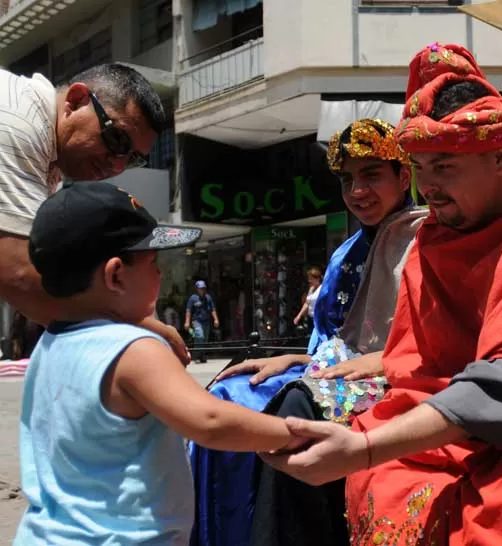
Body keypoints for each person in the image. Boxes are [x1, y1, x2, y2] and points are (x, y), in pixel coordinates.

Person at [261, 43, 502, 545]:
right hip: (449, 408)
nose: (430, 188)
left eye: (444, 168)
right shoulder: (435, 235)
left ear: (497, 156)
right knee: (295, 413)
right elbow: (418, 362)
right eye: (421, 169)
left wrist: (364, 447)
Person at [15, 182, 306, 545]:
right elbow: (211, 421)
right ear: (116, 275)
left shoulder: (50, 345)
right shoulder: (133, 349)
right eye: (154, 263)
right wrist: (299, 434)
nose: (161, 274)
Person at [190, 118, 425, 546]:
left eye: (372, 175)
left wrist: (384, 358)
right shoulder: (345, 254)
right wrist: (295, 358)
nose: (357, 191)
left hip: (399, 378)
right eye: (347, 180)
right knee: (231, 392)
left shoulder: (426, 240)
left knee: (296, 404)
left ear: (404, 175)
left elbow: (427, 336)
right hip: (336, 370)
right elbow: (335, 341)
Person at [0, 63, 189, 363]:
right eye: (117, 141)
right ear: (75, 101)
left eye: (132, 160)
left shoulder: (50, 157)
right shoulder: (19, 122)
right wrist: (135, 328)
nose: (116, 166)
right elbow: (19, 275)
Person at [185, 280, 219, 363]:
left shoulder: (208, 298)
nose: (202, 290)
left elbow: (212, 309)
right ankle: (198, 354)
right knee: (200, 336)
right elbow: (188, 310)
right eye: (200, 288)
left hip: (206, 321)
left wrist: (216, 319)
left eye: (203, 288)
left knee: (204, 339)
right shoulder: (193, 298)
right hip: (197, 321)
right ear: (197, 289)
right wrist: (187, 322)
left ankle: (201, 355)